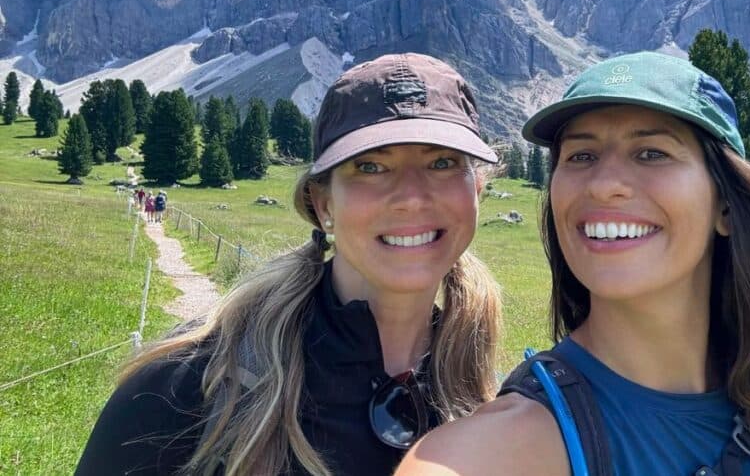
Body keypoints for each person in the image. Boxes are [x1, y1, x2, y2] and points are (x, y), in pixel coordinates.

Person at [398, 52, 750, 475]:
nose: (604, 184)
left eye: (651, 153)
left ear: (726, 206)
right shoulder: (485, 455)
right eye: (581, 155)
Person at [75, 53, 503, 476]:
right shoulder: (187, 386)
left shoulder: (495, 401)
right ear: (323, 204)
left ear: (477, 191)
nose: (411, 195)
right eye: (371, 166)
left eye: (443, 162)